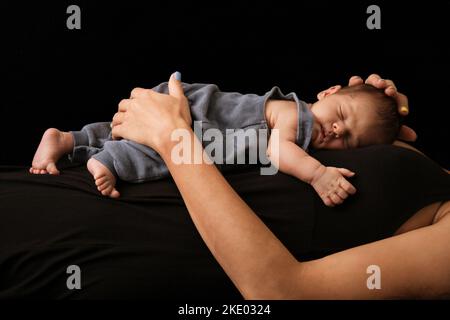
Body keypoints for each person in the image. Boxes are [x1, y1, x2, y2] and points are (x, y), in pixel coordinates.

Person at [108, 73, 450, 299]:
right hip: (117, 171)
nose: (336, 132)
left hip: (118, 245)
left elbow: (279, 294)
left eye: (348, 135)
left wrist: (174, 140)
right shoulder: (415, 155)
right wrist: (381, 110)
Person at [30, 76, 402, 207]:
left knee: (121, 126)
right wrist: (318, 175)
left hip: (195, 108)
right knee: (164, 155)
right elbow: (277, 151)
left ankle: (66, 140)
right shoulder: (298, 115)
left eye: (349, 140)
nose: (336, 131)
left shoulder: (306, 120)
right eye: (341, 115)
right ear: (328, 92)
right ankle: (110, 161)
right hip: (199, 121)